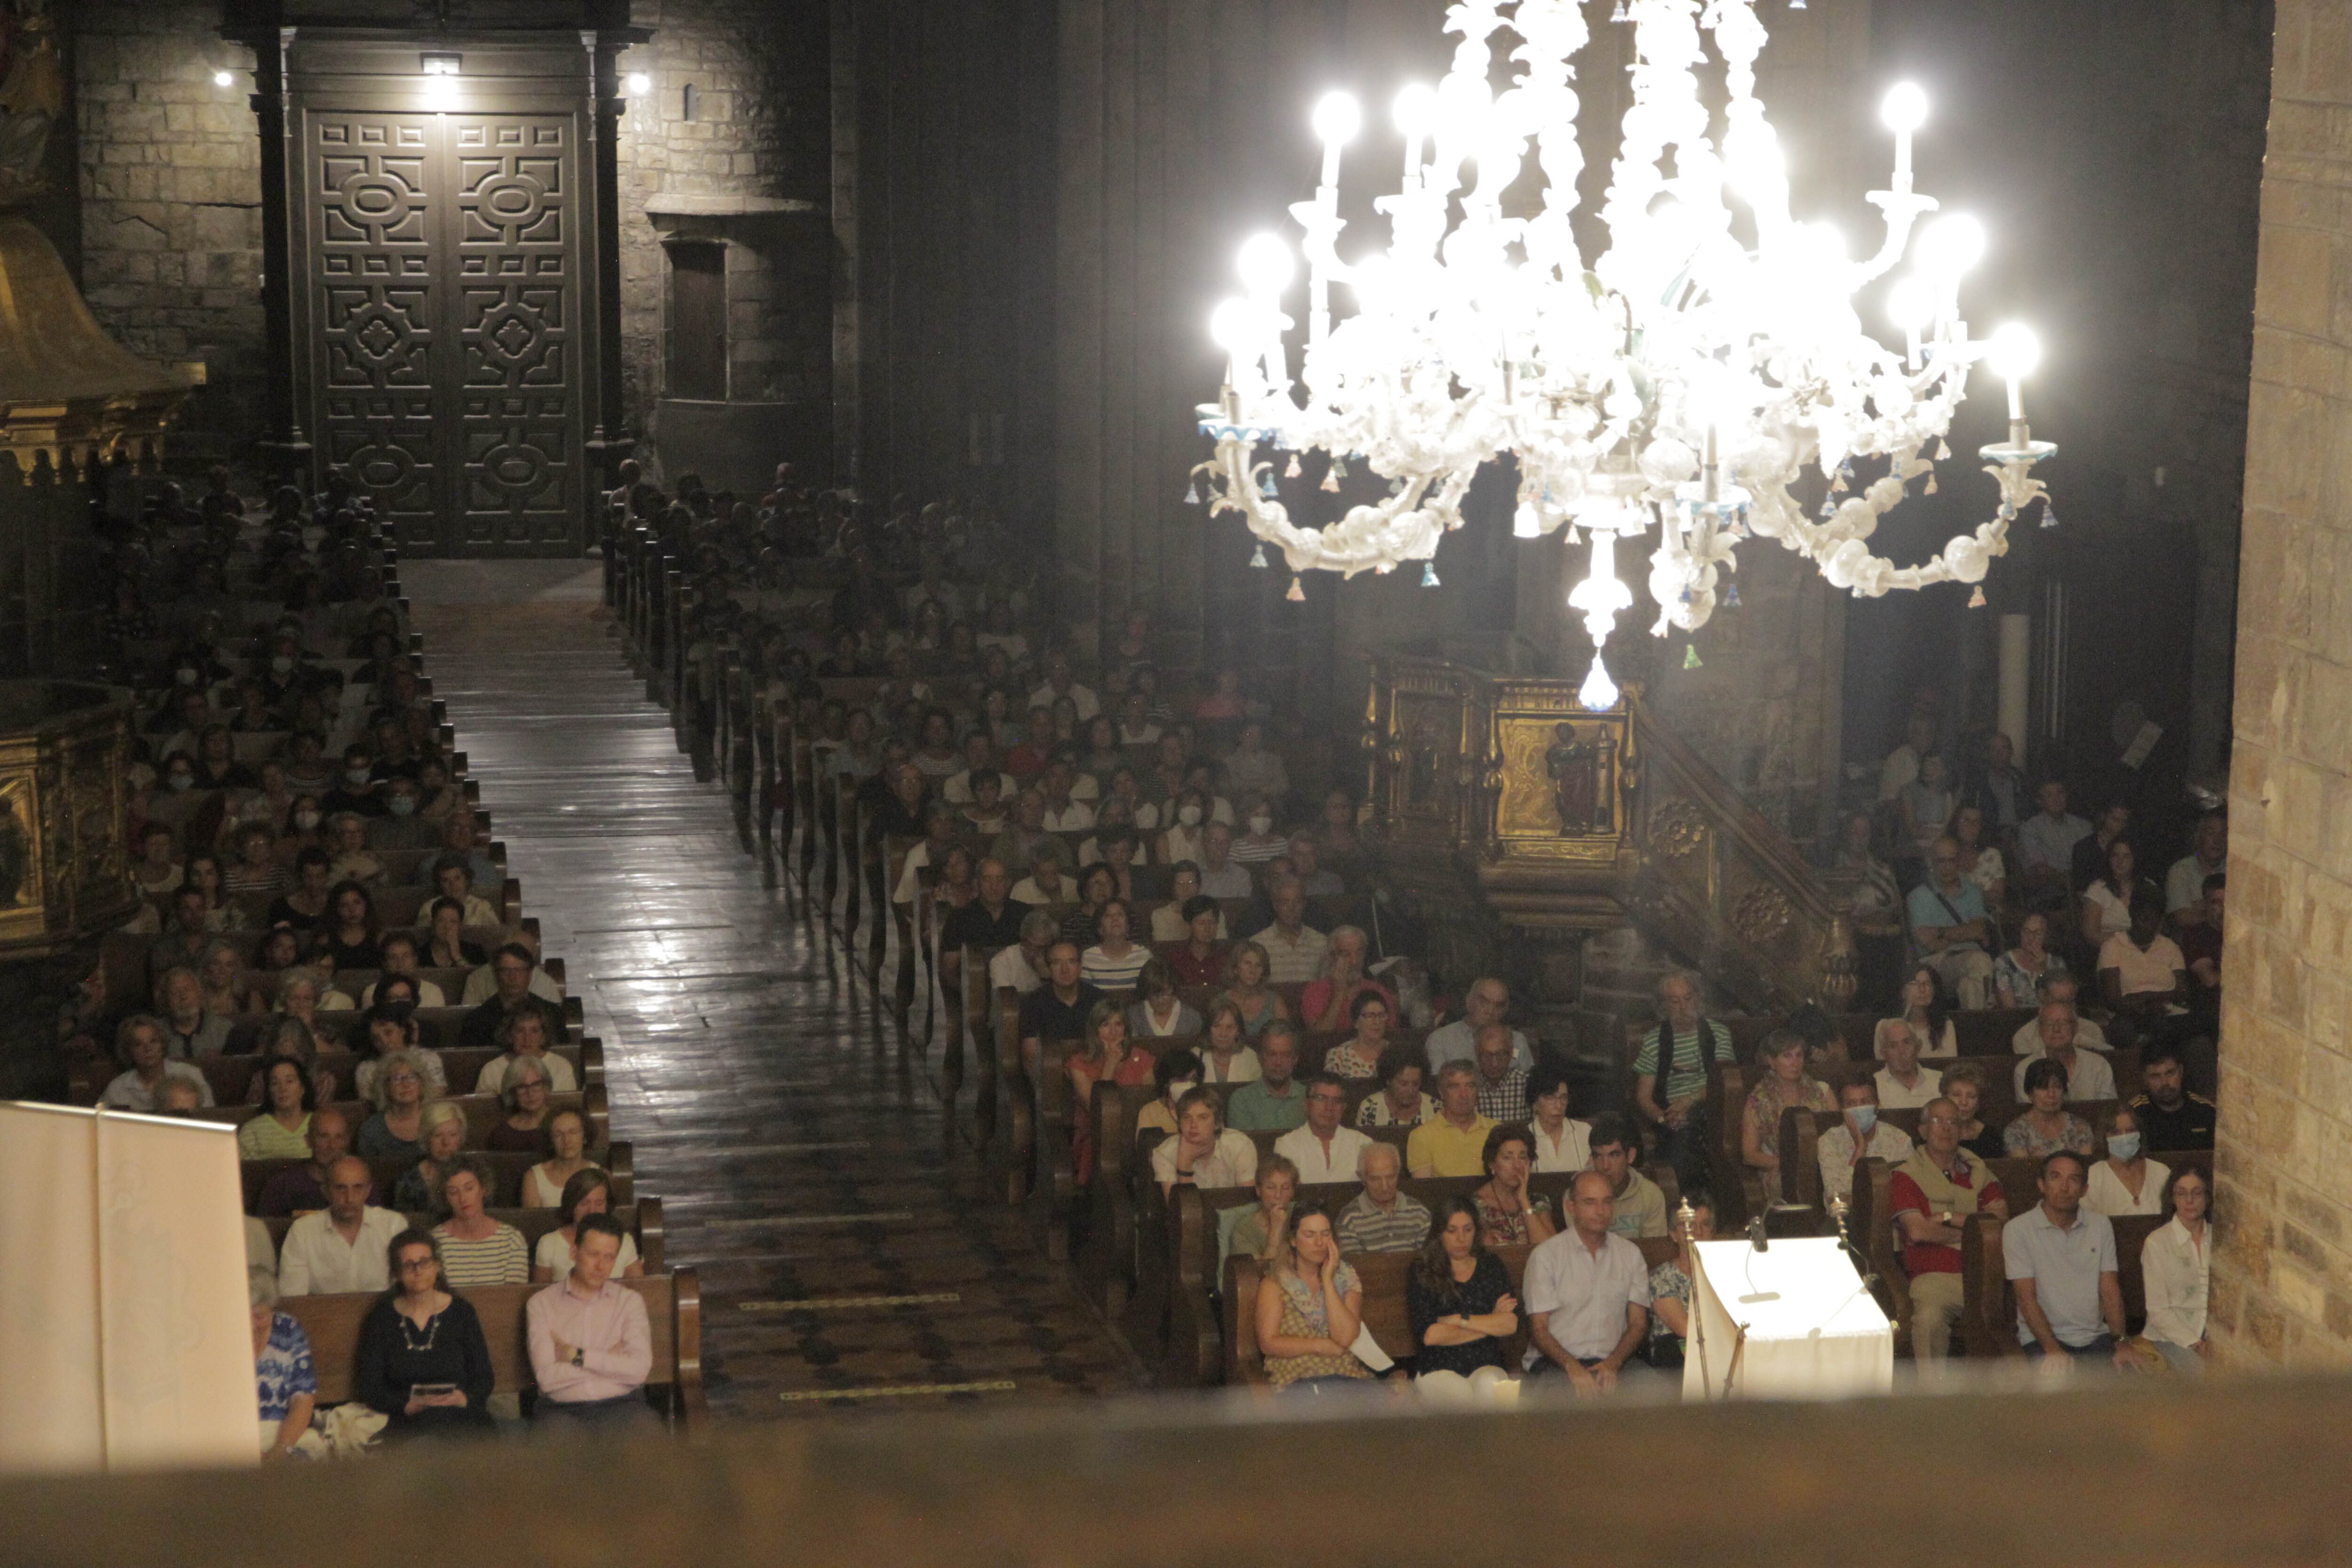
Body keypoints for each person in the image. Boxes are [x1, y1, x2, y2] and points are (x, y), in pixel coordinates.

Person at [1890, 1098, 2009, 1361]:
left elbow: (2000, 1222)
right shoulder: (1906, 1176)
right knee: (1928, 1322)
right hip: (1934, 1277)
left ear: (1962, 1130)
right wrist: (1976, 1230)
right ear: (1922, 1131)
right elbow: (1919, 1232)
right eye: (1937, 1122)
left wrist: (1947, 1218)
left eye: (1953, 1122)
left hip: (1987, 1275)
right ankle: (1935, 1399)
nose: (1946, 1129)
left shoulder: (1978, 1171)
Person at [357, 1230, 497, 1439]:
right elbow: (370, 1385)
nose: (418, 1271)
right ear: (397, 1273)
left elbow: (484, 1377)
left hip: (459, 1415)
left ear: (437, 1266)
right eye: (408, 1265)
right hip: (405, 1419)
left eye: (425, 1262)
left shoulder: (462, 1312)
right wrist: (406, 1405)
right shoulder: (382, 1317)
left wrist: (463, 1398)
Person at [1521, 1171, 1653, 1393]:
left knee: (1658, 1394)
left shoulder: (1631, 1255)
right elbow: (1539, 1329)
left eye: (1607, 1202)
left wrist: (1614, 1363)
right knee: (1569, 1404)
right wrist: (1573, 1368)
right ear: (1571, 1208)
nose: (1600, 1211)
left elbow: (1638, 1324)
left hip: (1614, 1363)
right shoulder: (1546, 1256)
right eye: (1590, 1203)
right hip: (1556, 1364)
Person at [526, 1213, 657, 1428]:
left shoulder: (630, 1302)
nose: (601, 1266)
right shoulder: (540, 1304)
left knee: (648, 1442)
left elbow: (639, 1370)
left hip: (624, 1405)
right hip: (562, 1410)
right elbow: (547, 1378)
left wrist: (577, 1357)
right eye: (593, 1254)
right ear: (574, 1252)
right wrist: (609, 1359)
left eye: (609, 1257)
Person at [2005, 1151, 2130, 1365]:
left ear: (2085, 1190)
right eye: (2056, 1177)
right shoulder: (2018, 1229)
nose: (2064, 1188)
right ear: (2042, 1185)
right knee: (2059, 1384)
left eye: (2074, 1179)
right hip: (2042, 1341)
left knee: (2126, 1380)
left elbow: (2110, 1289)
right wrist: (2052, 1350)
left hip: (2094, 1337)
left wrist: (2121, 1343)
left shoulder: (2100, 1226)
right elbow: (2027, 1299)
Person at [1254, 1205, 1373, 1393]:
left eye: (1325, 1234)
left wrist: (1327, 1280)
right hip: (1297, 1379)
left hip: (1346, 1376)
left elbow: (1346, 1337)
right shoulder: (1275, 1282)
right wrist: (1320, 1346)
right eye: (1310, 1235)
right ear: (1293, 1240)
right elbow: (1268, 1343)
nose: (1319, 1243)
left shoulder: (1346, 1276)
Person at [1630, 971, 1729, 1192]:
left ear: (1698, 999)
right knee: (1682, 1138)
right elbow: (1643, 1096)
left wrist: (1690, 1101)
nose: (1683, 1006)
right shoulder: (1654, 1040)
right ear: (1664, 1006)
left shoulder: (1719, 1034)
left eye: (1688, 998)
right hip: (1671, 1116)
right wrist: (1664, 1119)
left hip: (1713, 1109)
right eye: (1675, 1001)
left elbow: (1724, 1084)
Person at [1409, 1197, 1520, 1389]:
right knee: (1461, 1398)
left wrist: (1460, 1319)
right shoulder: (1423, 1270)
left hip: (1487, 1363)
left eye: (1468, 1230)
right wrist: (1490, 1321)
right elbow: (1431, 1336)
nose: (1461, 1238)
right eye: (1452, 1231)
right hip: (1438, 1367)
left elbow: (1510, 1324)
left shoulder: (1490, 1265)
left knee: (1491, 1387)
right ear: (1439, 1233)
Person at [279, 1156, 404, 1295]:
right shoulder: (302, 1232)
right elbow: (293, 1298)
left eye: (357, 1188)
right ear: (325, 1191)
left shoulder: (393, 1225)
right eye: (341, 1188)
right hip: (321, 1316)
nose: (350, 1198)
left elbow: (405, 1290)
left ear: (368, 1191)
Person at [1065, 1000, 1154, 1185]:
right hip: (1097, 1135)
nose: (1113, 1032)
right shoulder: (1079, 1064)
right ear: (1095, 1031)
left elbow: (1150, 1105)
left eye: (1118, 1024)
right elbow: (1097, 1109)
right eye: (1106, 1025)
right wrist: (1111, 1064)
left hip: (1136, 1133)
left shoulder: (1143, 1059)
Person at [1907, 836, 1994, 1010]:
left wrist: (1940, 931)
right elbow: (1928, 943)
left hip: (1969, 963)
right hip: (1936, 963)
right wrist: (1966, 933)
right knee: (1981, 961)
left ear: (1959, 861)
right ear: (1932, 862)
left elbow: (1979, 930)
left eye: (1952, 861)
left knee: (1969, 987)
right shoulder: (1919, 897)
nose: (1947, 867)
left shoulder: (1973, 891)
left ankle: (1971, 1032)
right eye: (1941, 861)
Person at [2140, 1165, 2211, 1372]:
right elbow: (2158, 1311)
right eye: (2182, 1193)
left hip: (2213, 1334)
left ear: (2207, 1197)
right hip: (2172, 1338)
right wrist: (2195, 1343)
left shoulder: (2218, 1237)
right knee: (2208, 1377)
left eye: (2197, 1193)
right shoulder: (2158, 1243)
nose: (2189, 1201)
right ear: (2172, 1198)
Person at [1743, 1027, 1836, 1184]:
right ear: (1772, 1061)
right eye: (1787, 1056)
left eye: (1799, 1055)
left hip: (1825, 1165)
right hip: (1781, 1169)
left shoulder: (1823, 1091)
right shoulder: (1758, 1100)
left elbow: (1839, 1136)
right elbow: (1750, 1154)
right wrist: (1787, 1164)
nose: (1796, 1063)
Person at [2099, 891, 2191, 1044]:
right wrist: (2146, 1007)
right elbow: (2112, 999)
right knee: (2125, 1030)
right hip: (2128, 1014)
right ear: (2132, 915)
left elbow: (2183, 991)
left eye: (2155, 921)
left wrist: (2148, 997)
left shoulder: (2170, 947)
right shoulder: (2113, 947)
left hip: (2167, 1012)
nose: (2149, 926)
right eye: (2144, 919)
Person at [250, 1267, 318, 1461]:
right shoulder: (225, 1334)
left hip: (282, 1430)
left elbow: (303, 1400)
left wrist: (281, 1449)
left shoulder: (289, 1331)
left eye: (259, 1317)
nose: (251, 1325)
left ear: (272, 1310)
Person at [535, 1169, 643, 1281]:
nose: (592, 1211)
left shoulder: (624, 1241)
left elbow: (640, 1289)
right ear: (572, 1205)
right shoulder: (549, 1244)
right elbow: (541, 1291)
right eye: (584, 1203)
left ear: (607, 1206)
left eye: (599, 1203)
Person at [1645, 1196, 1715, 1369]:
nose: (1698, 1231)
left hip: (1717, 1347)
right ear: (1674, 1234)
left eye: (1705, 1224)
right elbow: (1684, 1328)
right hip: (1676, 1353)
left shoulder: (1723, 1272)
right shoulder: (1661, 1277)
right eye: (1689, 1225)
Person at [1818, 1080, 1915, 1205]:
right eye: (1851, 1104)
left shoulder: (1899, 1140)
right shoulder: (1829, 1141)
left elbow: (1908, 1192)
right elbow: (1836, 1198)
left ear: (1877, 1105)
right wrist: (1860, 1149)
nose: (1858, 1109)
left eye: (1864, 1102)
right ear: (1843, 1109)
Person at [1150, 1086, 1259, 1193]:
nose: (1193, 1125)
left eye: (1202, 1118)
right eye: (1187, 1118)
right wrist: (1185, 1167)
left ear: (1217, 1123)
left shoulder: (1240, 1145)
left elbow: (1248, 1203)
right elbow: (1181, 1209)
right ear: (1179, 1123)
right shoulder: (1164, 1154)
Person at [458, 944, 565, 1049]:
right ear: (496, 975)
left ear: (530, 975)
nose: (513, 978)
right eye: (506, 971)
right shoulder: (476, 1021)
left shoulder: (552, 1014)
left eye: (519, 971)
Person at [100, 1014, 216, 1112]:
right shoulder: (118, 1089)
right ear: (129, 1051)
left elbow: (209, 1116)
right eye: (138, 1044)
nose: (148, 1049)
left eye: (153, 1041)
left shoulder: (190, 1075)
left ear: (162, 1044)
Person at [1424, 976, 1535, 1076]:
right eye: (1484, 1002)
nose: (1491, 1011)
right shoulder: (1440, 1040)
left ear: (1505, 1011)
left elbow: (1530, 1086)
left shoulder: (1517, 1041)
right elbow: (1441, 1085)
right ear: (1469, 1002)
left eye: (1498, 1006)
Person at [1273, 1073, 1372, 1185]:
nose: (1329, 1107)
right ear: (1306, 1104)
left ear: (1344, 1108)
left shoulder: (1363, 1144)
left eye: (1336, 1101)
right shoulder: (1287, 1145)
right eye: (1321, 1099)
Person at [257, 1108, 358, 1217]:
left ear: (347, 1142)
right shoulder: (282, 1186)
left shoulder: (361, 1184)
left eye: (339, 1138)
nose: (332, 1146)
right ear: (308, 1140)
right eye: (324, 1137)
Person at [1335, 1142, 1431, 1253]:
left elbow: (1427, 1262)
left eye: (1391, 1177)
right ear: (1362, 1177)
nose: (1385, 1187)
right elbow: (1353, 1267)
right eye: (1375, 1179)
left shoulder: (1419, 1213)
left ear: (1398, 1173)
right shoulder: (1349, 1219)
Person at [1406, 1062, 1498, 1178]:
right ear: (1441, 1092)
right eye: (1455, 1087)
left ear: (1478, 1091)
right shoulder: (1422, 1136)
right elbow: (1426, 1191)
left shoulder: (1497, 1131)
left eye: (1470, 1086)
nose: (1464, 1095)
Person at [2011, 1002, 2118, 1101]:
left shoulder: (2098, 1065)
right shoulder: (2025, 1069)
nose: (2056, 1029)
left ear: (2075, 1028)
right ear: (2040, 1030)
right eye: (2049, 1023)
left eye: (2064, 1023)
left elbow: (2107, 1111)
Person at [1017, 941, 1104, 1060]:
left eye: (1071, 962)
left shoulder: (1098, 999)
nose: (1065, 970)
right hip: (1051, 1073)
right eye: (1057, 963)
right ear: (1048, 969)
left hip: (1094, 1070)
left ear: (1080, 967)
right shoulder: (1034, 1002)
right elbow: (1031, 1056)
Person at [1472, 1124, 1556, 1246]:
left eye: (1523, 1157)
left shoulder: (1537, 1202)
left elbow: (1549, 1248)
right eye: (1508, 1158)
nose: (1517, 1166)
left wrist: (1524, 1201)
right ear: (1492, 1164)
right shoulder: (1477, 1205)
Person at [1298, 925, 1390, 1034]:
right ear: (1332, 958)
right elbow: (1320, 1038)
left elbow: (1389, 1036)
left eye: (1359, 953)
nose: (1355, 961)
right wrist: (1339, 993)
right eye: (1346, 954)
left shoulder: (1377, 990)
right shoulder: (1315, 991)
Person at [2084, 1105, 2170, 1218]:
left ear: (2139, 1133)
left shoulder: (2161, 1172)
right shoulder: (2094, 1176)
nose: (2124, 1138)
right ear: (2104, 1137)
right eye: (2116, 1132)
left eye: (2130, 1131)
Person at [1589, 1118, 1669, 1238]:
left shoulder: (1651, 1196)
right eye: (1599, 1157)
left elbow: (1655, 1251)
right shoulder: (1578, 1197)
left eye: (1614, 1155)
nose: (1605, 1166)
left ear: (1631, 1156)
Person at [475, 1007, 579, 1097]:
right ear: (510, 1035)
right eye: (520, 1031)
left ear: (543, 1036)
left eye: (534, 1031)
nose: (527, 1038)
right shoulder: (491, 1071)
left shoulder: (561, 1067)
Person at [1226, 1022, 1308, 1132]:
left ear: (1295, 1059)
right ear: (1260, 1058)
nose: (1278, 1062)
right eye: (1271, 1054)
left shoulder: (1310, 1098)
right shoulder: (1242, 1100)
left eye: (1285, 1055)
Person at [2006, 1059, 2097, 1158]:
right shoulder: (2016, 1131)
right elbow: (2024, 1171)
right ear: (2030, 1093)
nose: (2051, 1094)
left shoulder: (2080, 1127)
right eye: (2044, 1088)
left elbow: (2086, 1166)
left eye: (2057, 1087)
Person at [2131, 1046, 2217, 1150]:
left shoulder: (2205, 1111)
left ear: (2181, 1071)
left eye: (2170, 1073)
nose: (2165, 1083)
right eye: (2155, 1076)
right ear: (2145, 1079)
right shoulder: (2135, 1113)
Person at [2016, 778, 2092, 895]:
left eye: (2060, 793)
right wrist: (2070, 881)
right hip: (2050, 888)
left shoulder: (2083, 826)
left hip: (2086, 885)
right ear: (2039, 801)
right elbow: (2040, 869)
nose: (2057, 799)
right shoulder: (2030, 829)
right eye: (2049, 795)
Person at [356, 1048, 430, 1165]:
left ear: (421, 1083)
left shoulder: (437, 1120)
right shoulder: (372, 1130)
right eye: (397, 1079)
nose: (405, 1084)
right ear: (385, 1088)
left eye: (411, 1077)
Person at [392, 1101, 471, 1211]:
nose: (446, 1142)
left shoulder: (475, 1172)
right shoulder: (408, 1181)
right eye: (438, 1135)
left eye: (453, 1135)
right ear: (426, 1138)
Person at [1249, 877, 1328, 985]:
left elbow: (1326, 987)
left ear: (1304, 905)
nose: (1292, 908)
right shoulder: (1258, 943)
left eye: (1298, 902)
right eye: (1285, 902)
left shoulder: (1322, 942)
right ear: (1275, 905)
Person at [1224, 1157, 1301, 1265]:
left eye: (1286, 1188)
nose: (1278, 1195)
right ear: (1259, 1190)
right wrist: (1276, 1230)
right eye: (1271, 1188)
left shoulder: (1303, 1217)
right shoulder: (1244, 1232)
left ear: (1293, 1192)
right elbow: (1260, 1275)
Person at [2007, 971, 2109, 1052]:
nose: (2063, 1008)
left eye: (2068, 1001)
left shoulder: (2092, 1031)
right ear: (2042, 997)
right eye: (2059, 1001)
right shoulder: (2025, 1038)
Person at [237, 1058, 316, 1161]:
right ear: (269, 1091)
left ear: (303, 1088)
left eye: (290, 1081)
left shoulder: (320, 1123)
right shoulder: (252, 1131)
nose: (283, 1088)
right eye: (275, 1083)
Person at [1991, 911, 2069, 1011]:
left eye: (2037, 933)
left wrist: (2042, 969)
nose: (2031, 938)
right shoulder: (2005, 963)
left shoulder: (2057, 964)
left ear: (2046, 936)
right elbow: (2009, 1009)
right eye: (2027, 932)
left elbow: (2060, 1002)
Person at [2079, 835, 2145, 949]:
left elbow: (2157, 930)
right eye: (2115, 856)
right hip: (2110, 952)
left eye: (2126, 856)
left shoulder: (2148, 887)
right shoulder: (2098, 889)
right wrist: (2125, 945)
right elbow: (2091, 934)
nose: (2120, 861)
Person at [524, 1107, 598, 1206]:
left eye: (573, 1132)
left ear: (585, 1137)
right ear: (551, 1140)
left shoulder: (600, 1175)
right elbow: (533, 1220)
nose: (567, 1140)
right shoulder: (533, 1178)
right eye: (558, 1134)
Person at [1526, 1063, 1592, 1173]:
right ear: (1535, 1103)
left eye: (1563, 1098)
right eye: (1551, 1098)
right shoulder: (1524, 1136)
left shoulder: (1585, 1132)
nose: (1559, 1106)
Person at [1215, 940, 1287, 1037]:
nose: (1253, 971)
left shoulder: (1275, 1002)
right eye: (1248, 963)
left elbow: (1286, 1039)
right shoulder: (1221, 1001)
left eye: (1258, 965)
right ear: (1236, 968)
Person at [157, 965, 232, 1059]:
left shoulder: (224, 1029)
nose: (183, 996)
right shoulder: (156, 1032)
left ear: (199, 993)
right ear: (166, 999)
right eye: (175, 993)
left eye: (187, 990)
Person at [1939, 1061, 2007, 1162]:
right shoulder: (1934, 1133)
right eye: (1957, 1095)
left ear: (1979, 1102)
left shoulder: (1991, 1137)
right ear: (1945, 1097)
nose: (1964, 1102)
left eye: (1971, 1096)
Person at [485, 1058, 557, 1154]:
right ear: (512, 1092)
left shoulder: (562, 1123)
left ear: (545, 1086)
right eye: (522, 1087)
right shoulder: (501, 1135)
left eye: (536, 1085)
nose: (530, 1093)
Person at [2166, 814, 2228, 921]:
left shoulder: (2235, 871)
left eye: (2223, 835)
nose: (2217, 841)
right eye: (2211, 833)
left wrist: (2200, 905)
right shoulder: (2181, 870)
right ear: (2198, 838)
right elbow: (2182, 918)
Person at [1322, 991, 1395, 1081]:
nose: (1377, 1022)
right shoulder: (1338, 1056)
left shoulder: (1395, 1052)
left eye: (1381, 1015)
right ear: (1356, 1022)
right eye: (1370, 1016)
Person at [1078, 897, 1149, 989]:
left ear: (1128, 927)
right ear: (1100, 929)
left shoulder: (1144, 955)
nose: (1115, 919)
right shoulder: (1088, 957)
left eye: (1120, 915)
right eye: (1108, 916)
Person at [1874, 1017, 1943, 1111]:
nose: (1902, 1051)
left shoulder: (1940, 1081)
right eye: (1893, 1046)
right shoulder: (1874, 1086)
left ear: (1918, 1046)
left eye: (1907, 1043)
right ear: (1883, 1053)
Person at [1358, 1046, 1435, 1129]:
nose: (1410, 1091)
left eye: (1416, 1084)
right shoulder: (1370, 1108)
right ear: (1388, 1080)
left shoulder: (1434, 1108)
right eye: (1403, 1084)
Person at [1469, 1023, 1531, 1123]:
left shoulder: (1527, 1084)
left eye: (1502, 1055)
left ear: (1511, 1052)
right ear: (1477, 1053)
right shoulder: (1468, 1087)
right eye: (1487, 1056)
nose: (1494, 1064)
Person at [1135, 1047, 1202, 1139]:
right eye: (1182, 1080)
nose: (1189, 1084)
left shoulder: (1207, 1109)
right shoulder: (1150, 1112)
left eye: (1193, 1079)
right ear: (1167, 1082)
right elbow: (1148, 1149)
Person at [1192, 998, 1262, 1084]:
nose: (1223, 1034)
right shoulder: (1195, 1057)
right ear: (1208, 1029)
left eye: (1230, 1027)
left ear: (1238, 1031)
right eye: (1217, 1026)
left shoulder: (1251, 1058)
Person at [1197, 820, 1253, 899]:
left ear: (1230, 846)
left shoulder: (1241, 876)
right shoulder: (1193, 873)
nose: (1219, 847)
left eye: (1224, 842)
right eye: (1213, 842)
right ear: (1203, 844)